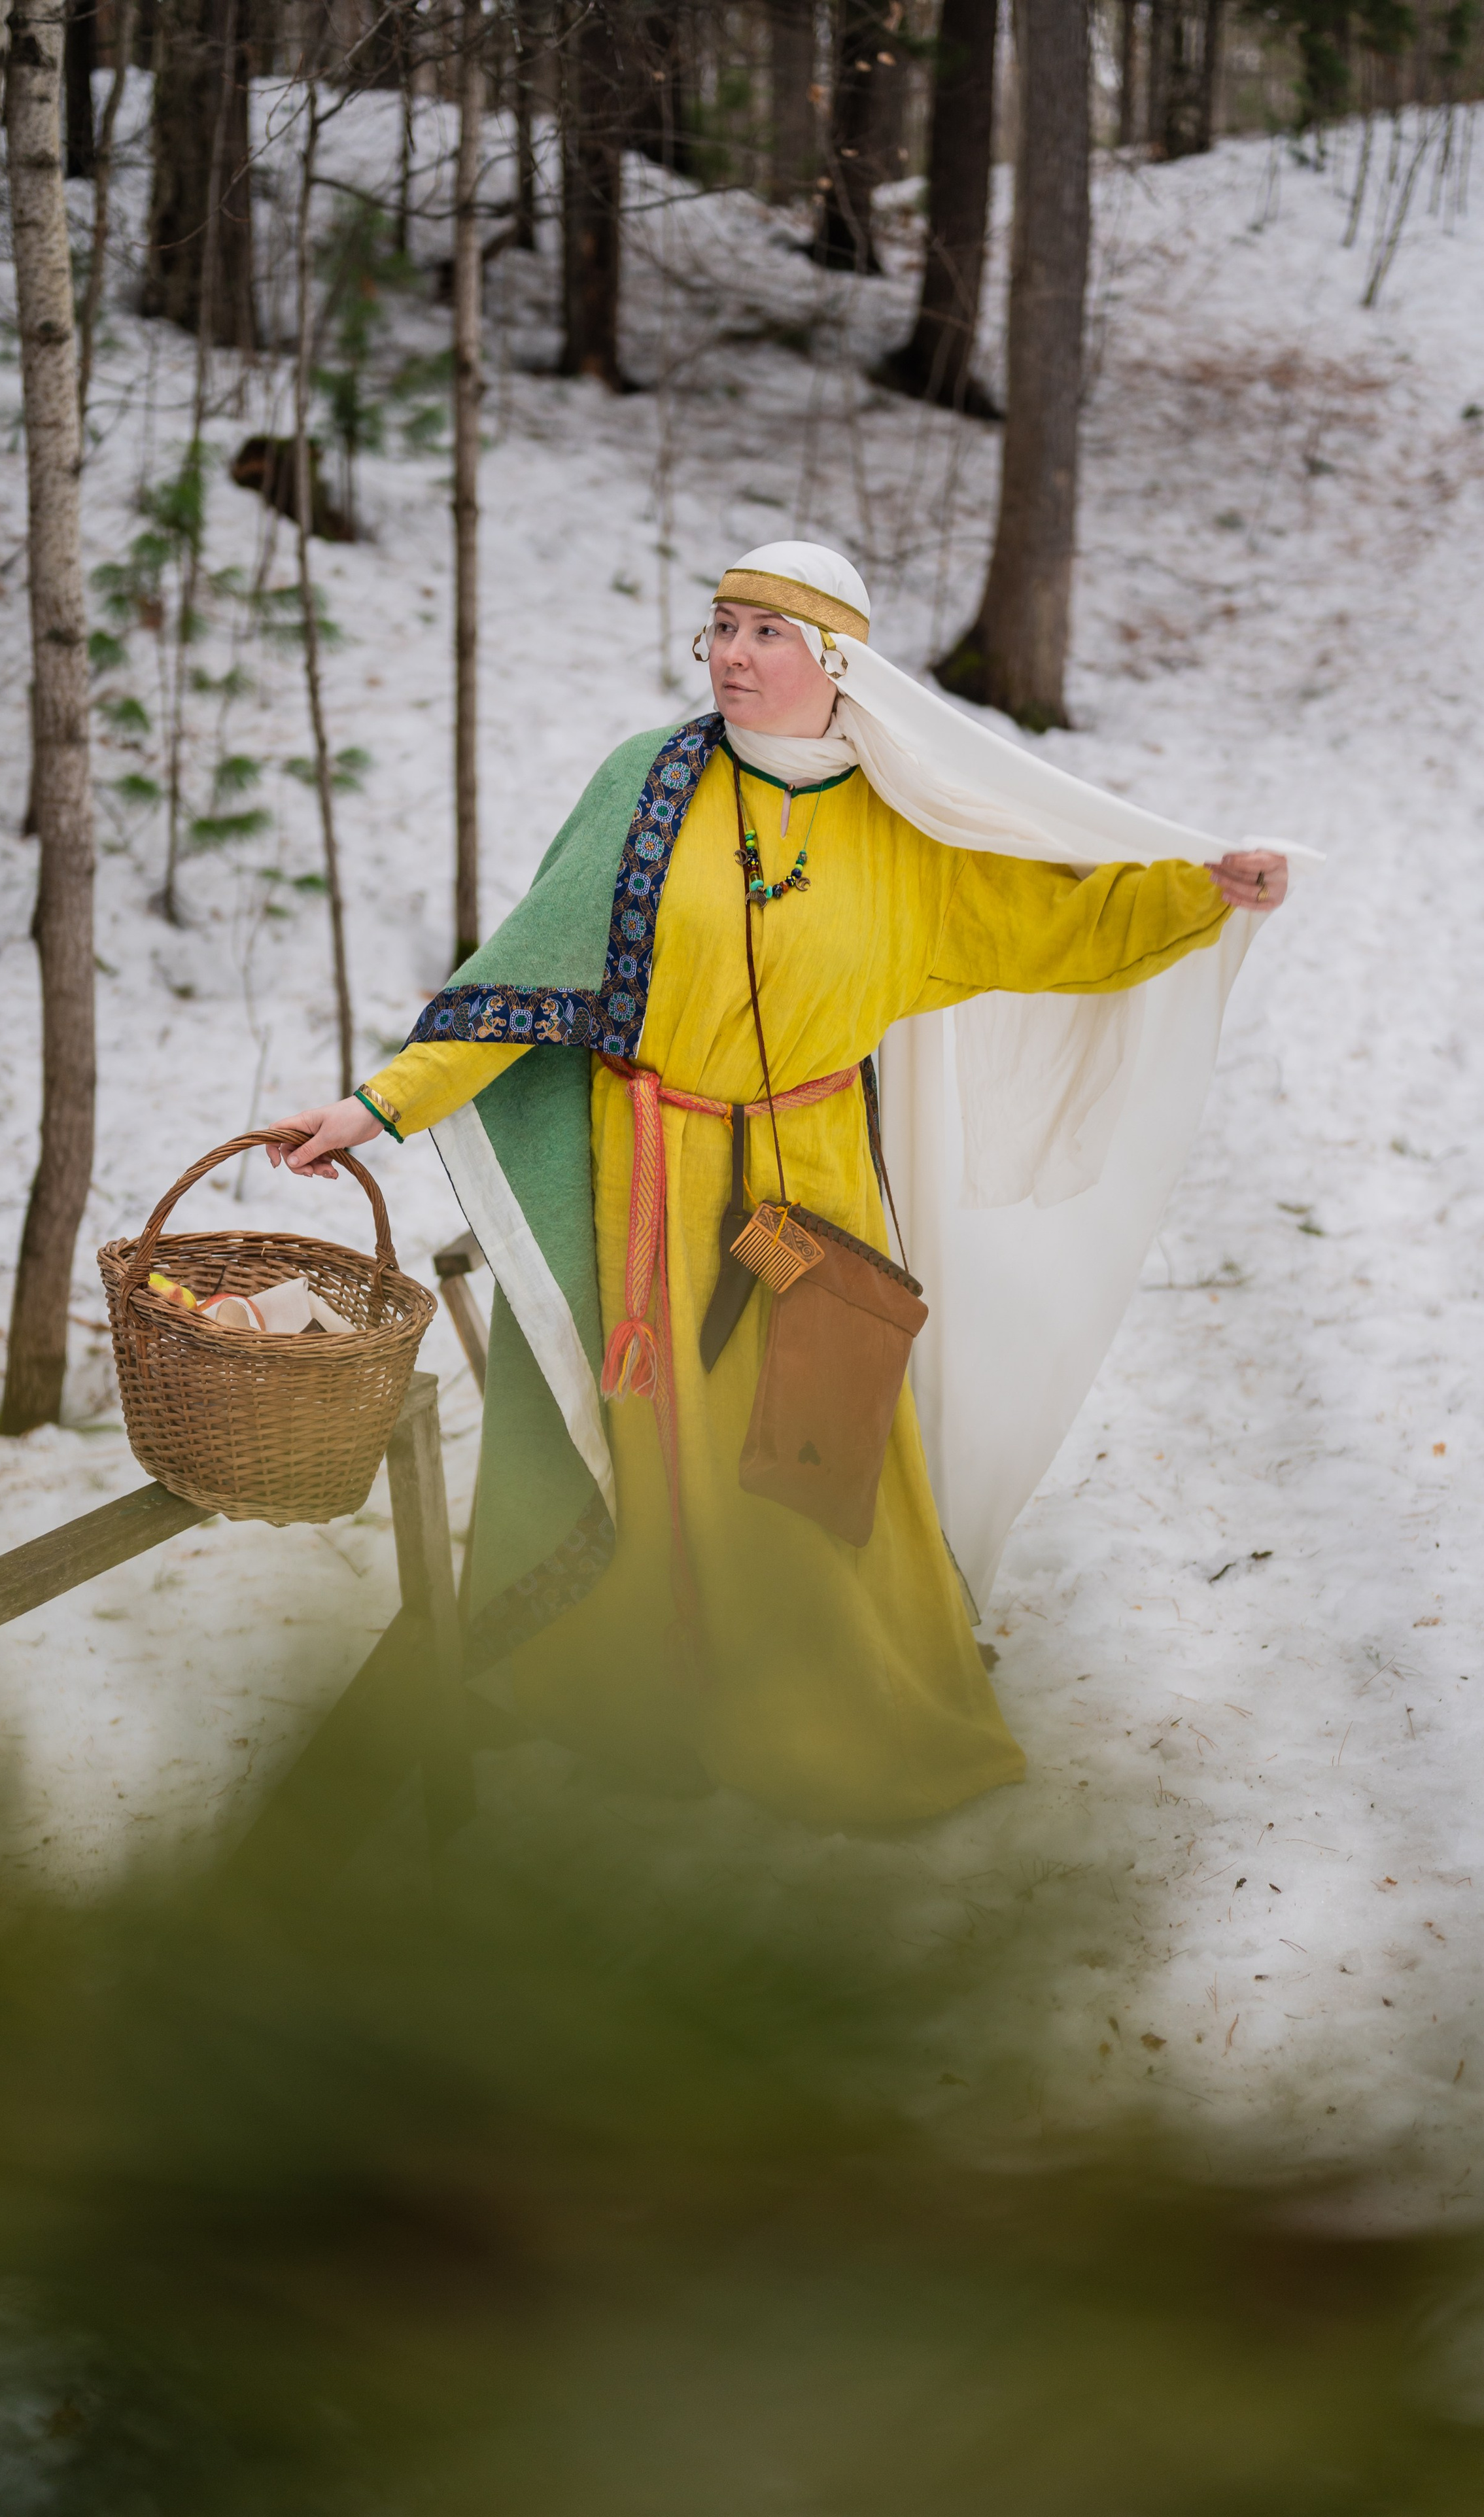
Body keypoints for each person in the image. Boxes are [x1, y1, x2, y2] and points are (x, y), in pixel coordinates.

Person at [270, 544, 1290, 1830]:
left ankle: (838, 1718)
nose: (734, 655)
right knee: (645, 1467)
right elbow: (521, 985)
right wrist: (374, 1105)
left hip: (808, 1192)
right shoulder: (643, 789)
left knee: (813, 1464)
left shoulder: (901, 830)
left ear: (837, 666)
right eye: (721, 628)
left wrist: (1201, 897)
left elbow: (1055, 921)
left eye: (766, 633)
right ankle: (638, 1713)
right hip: (639, 1185)